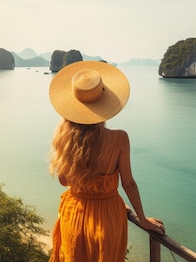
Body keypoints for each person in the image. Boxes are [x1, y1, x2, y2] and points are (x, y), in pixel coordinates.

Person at [48, 60, 165, 262]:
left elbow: (64, 181)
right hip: (107, 219)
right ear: (104, 104)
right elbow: (128, 183)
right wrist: (143, 219)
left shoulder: (65, 140)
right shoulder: (119, 138)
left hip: (74, 216)